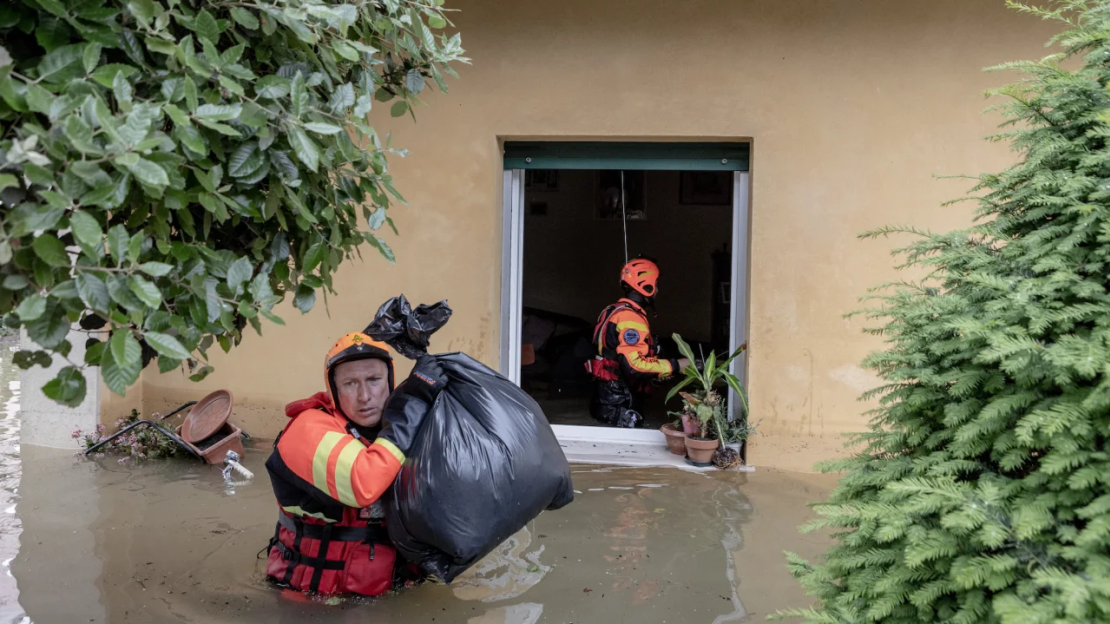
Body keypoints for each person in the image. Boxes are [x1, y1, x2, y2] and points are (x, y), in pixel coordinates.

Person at [263, 331, 447, 596]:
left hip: (396, 590)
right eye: (350, 384)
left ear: (391, 382)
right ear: (334, 390)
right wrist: (414, 403)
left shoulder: (399, 425)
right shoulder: (306, 431)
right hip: (314, 601)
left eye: (374, 380)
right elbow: (364, 484)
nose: (364, 396)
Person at [586, 257, 691, 427]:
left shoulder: (614, 311)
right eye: (655, 284)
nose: (657, 289)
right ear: (646, 285)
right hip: (620, 402)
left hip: (605, 396)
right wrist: (676, 365)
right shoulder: (630, 318)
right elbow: (634, 366)